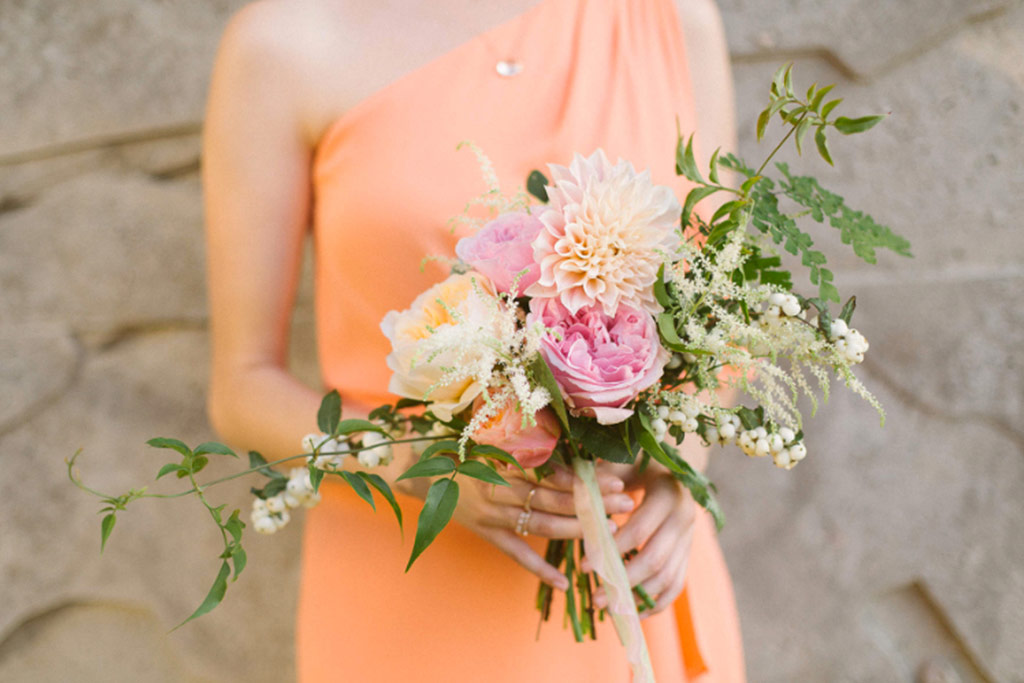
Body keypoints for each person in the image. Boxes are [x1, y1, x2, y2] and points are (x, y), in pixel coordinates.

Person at [203, 0, 745, 680]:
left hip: (631, 571)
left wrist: (678, 475)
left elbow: (721, 326)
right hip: (413, 582)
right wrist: (432, 468)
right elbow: (244, 388)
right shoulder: (287, 42)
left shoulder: (672, 17)